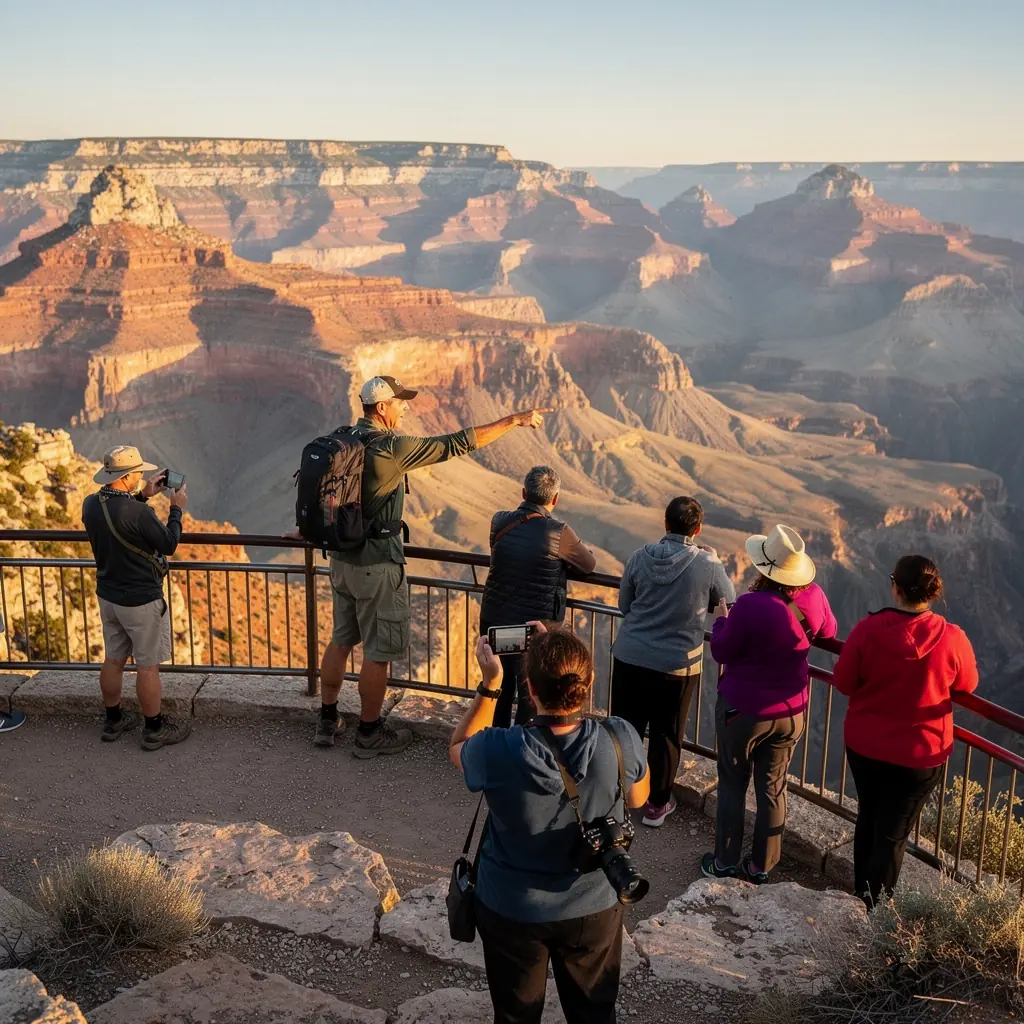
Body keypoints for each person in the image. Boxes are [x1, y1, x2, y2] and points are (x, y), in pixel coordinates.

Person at [315, 374, 552, 756]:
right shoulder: (390, 447)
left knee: (341, 639)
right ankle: (369, 731)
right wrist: (513, 420)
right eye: (399, 402)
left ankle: (327, 720)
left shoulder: (343, 437)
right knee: (377, 652)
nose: (405, 407)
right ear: (381, 408)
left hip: (341, 560)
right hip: (377, 564)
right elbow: (455, 444)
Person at [451, 627, 650, 1024]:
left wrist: (492, 684)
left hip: (511, 907)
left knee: (515, 1016)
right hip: (593, 905)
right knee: (594, 1013)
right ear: (589, 682)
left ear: (529, 687)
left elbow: (459, 747)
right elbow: (639, 799)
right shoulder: (620, 737)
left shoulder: (499, 749)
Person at [833, 555, 978, 907]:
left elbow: (843, 681)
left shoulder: (868, 630)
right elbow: (968, 684)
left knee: (868, 815)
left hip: (866, 747)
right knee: (893, 835)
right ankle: (876, 914)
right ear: (931, 592)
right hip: (920, 755)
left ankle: (859, 899)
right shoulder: (952, 637)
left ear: (895, 588)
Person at [703, 524, 837, 883]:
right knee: (773, 787)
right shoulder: (815, 596)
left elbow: (722, 650)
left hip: (743, 711)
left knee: (732, 782)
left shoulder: (748, 605)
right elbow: (828, 632)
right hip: (791, 711)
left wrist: (720, 621)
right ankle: (761, 867)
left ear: (765, 566)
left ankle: (725, 863)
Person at [611, 496, 735, 827]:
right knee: (667, 735)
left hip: (630, 656)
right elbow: (729, 601)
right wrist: (717, 561)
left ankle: (616, 797)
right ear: (698, 529)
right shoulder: (707, 566)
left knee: (624, 727)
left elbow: (626, 605)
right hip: (677, 666)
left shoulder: (639, 557)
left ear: (665, 524)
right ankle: (656, 805)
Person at [81, 445, 190, 751]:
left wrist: (143, 494)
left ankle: (113, 720)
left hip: (109, 596)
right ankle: (154, 728)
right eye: (138, 473)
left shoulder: (91, 504)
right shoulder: (139, 513)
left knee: (114, 659)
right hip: (140, 600)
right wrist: (176, 508)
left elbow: (119, 517)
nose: (142, 475)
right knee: (147, 666)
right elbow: (168, 543)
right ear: (128, 477)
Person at [479, 465, 597, 728]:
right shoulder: (557, 532)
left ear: (523, 492)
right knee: (530, 692)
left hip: (495, 620)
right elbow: (588, 565)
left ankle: (495, 743)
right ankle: (523, 750)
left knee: (499, 684)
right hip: (532, 630)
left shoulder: (499, 520)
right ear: (555, 499)